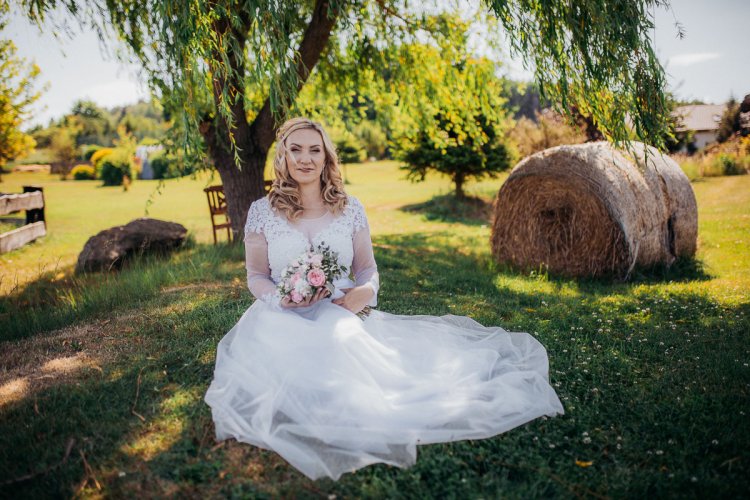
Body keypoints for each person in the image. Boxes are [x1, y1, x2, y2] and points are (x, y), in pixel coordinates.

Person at [204, 117, 564, 481]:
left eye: (315, 150)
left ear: (326, 157)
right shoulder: (262, 212)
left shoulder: (350, 209)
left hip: (338, 309)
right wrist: (280, 300)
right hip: (277, 315)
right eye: (295, 150)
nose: (305, 159)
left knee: (352, 357)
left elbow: (368, 270)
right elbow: (256, 277)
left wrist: (365, 292)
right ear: (282, 156)